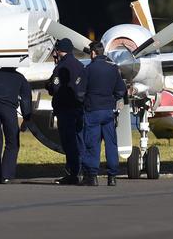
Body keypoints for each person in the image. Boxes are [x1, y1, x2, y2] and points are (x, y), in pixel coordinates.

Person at [80, 41, 127, 186]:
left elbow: (80, 92)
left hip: (92, 111)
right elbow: (121, 90)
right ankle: (112, 177)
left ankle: (92, 176)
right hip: (108, 111)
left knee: (92, 143)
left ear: (93, 53)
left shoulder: (88, 69)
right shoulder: (113, 69)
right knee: (111, 143)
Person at [45, 38, 86, 185]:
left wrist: (49, 85)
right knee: (80, 140)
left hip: (65, 109)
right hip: (79, 108)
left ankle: (73, 173)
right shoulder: (80, 65)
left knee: (69, 142)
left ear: (59, 50)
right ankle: (84, 170)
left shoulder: (61, 67)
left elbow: (54, 87)